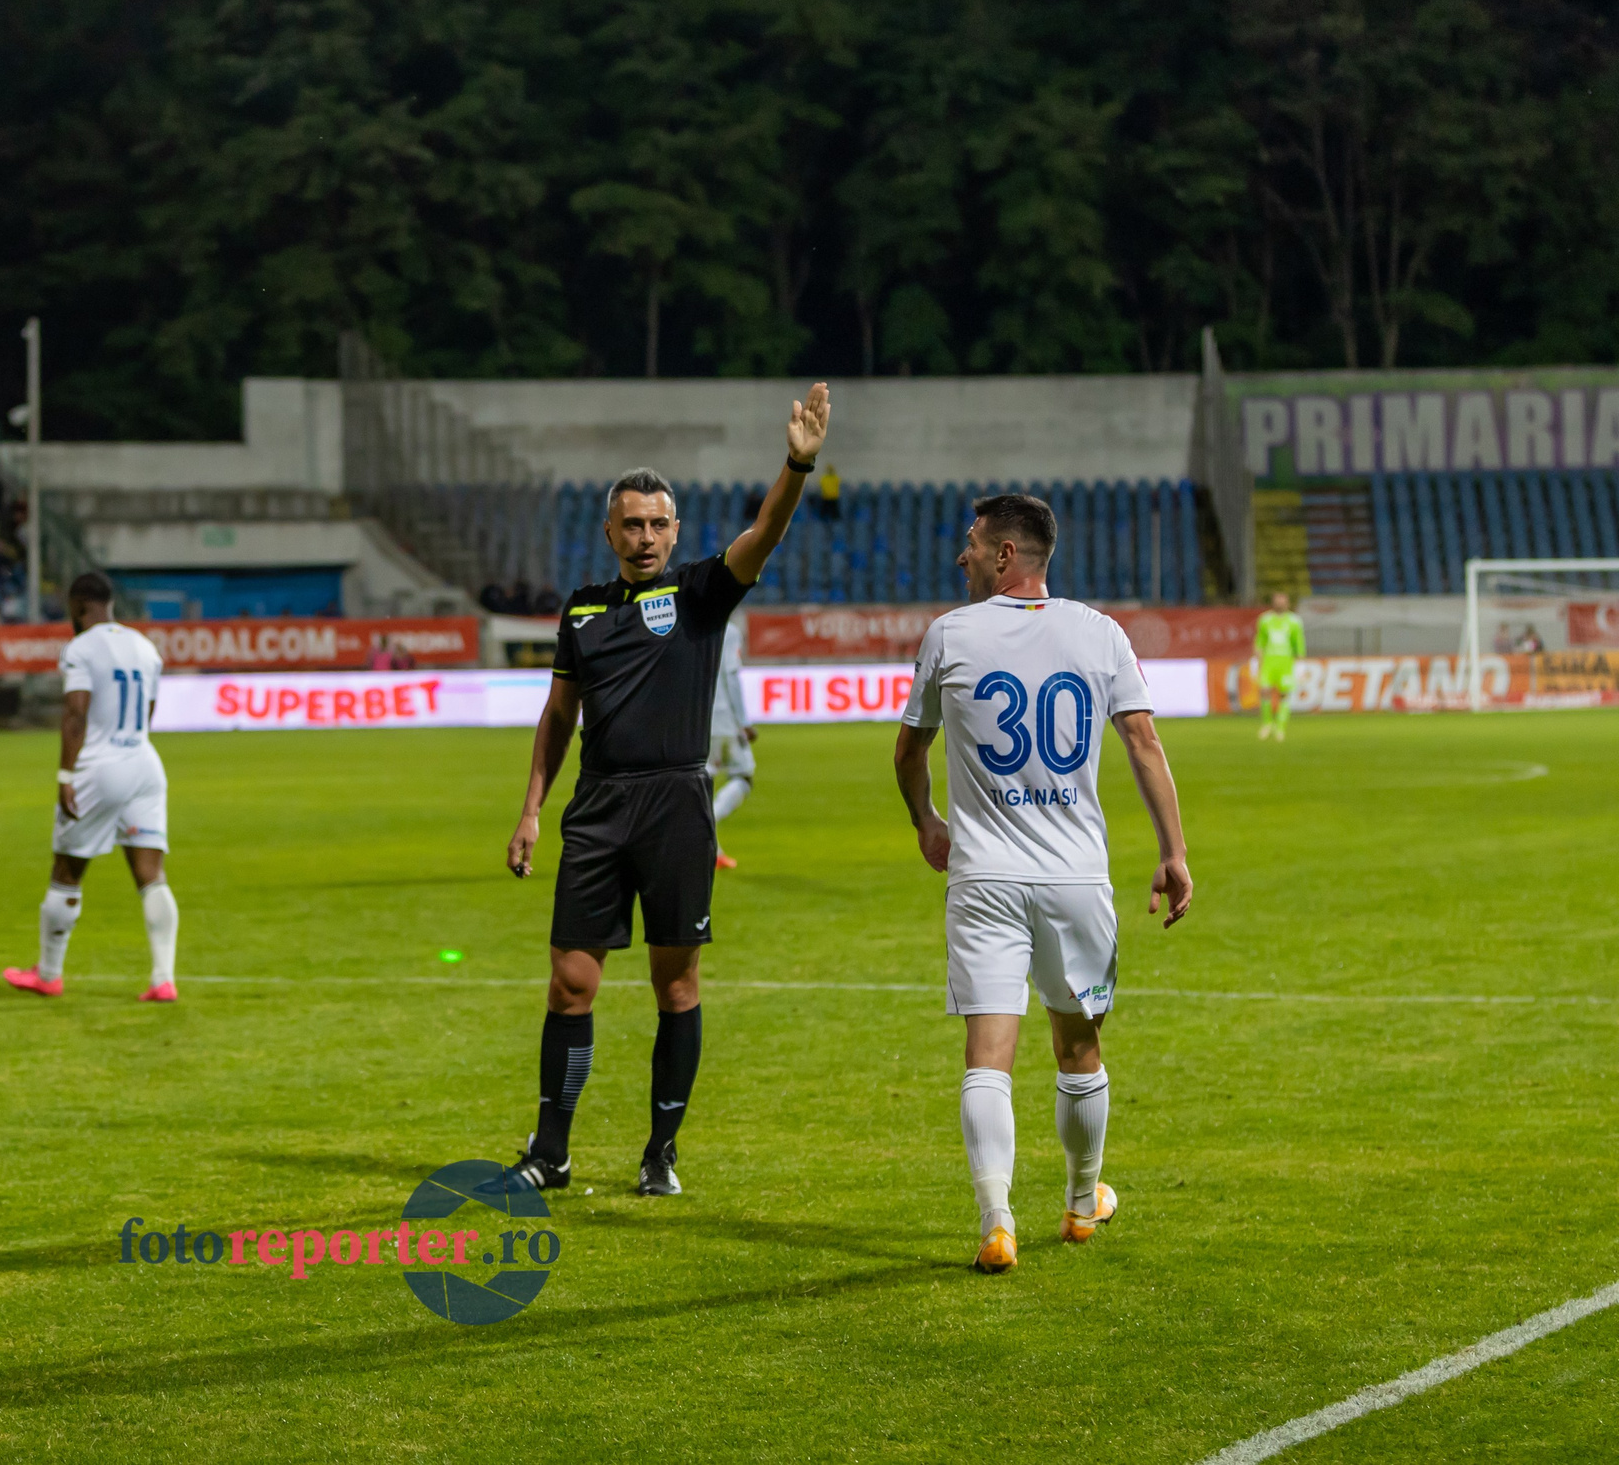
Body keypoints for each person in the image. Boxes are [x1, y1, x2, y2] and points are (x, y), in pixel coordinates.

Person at [503, 383, 832, 1199]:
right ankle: (552, 1150)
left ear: (674, 531)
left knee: (674, 984)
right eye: (632, 524)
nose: (646, 536)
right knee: (570, 982)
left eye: (659, 523)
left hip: (677, 805)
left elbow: (766, 532)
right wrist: (532, 807)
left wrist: (797, 463)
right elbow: (556, 715)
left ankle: (660, 1149)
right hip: (597, 806)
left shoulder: (697, 593)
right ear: (609, 530)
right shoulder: (580, 611)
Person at [892, 493, 1193, 1275]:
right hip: (1074, 878)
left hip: (984, 874)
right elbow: (1145, 742)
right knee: (1078, 1047)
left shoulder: (949, 635)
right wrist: (1173, 851)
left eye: (972, 544)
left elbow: (906, 752)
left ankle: (997, 1220)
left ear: (1003, 556)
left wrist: (928, 821)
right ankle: (1082, 1199)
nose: (961, 556)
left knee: (987, 1055)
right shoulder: (1100, 633)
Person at [4, 571, 180, 1004]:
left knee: (67, 871)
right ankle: (163, 978)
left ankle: (47, 974)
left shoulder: (80, 648)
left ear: (79, 605)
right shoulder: (145, 646)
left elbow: (75, 714)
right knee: (150, 874)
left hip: (100, 768)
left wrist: (66, 775)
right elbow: (149, 710)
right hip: (144, 762)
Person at [707, 608, 755, 869]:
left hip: (698, 719)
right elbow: (730, 675)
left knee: (704, 781)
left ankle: (712, 851)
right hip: (724, 718)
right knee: (744, 776)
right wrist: (744, 722)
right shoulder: (729, 632)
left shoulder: (693, 628)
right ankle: (707, 824)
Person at [1252, 591, 1304, 742]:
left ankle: (1280, 727)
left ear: (1287, 603)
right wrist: (1256, 660)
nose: (1280, 603)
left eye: (1283, 601)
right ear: (1273, 602)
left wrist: (1300, 664)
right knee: (1264, 691)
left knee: (1284, 694)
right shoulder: (1265, 619)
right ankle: (1267, 723)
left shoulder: (1294, 621)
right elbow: (1260, 641)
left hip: (1285, 662)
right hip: (1269, 661)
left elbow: (1298, 643)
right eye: (1277, 600)